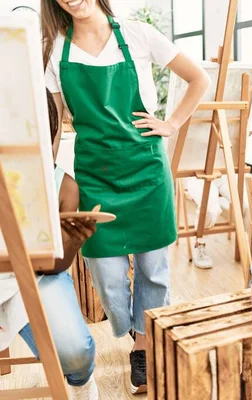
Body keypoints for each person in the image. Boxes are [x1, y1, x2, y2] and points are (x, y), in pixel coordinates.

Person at [41, 0, 211, 394]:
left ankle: (143, 342)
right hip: (95, 175)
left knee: (153, 270)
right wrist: (46, 177)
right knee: (107, 275)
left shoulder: (136, 33)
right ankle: (133, 327)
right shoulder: (56, 50)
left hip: (146, 170)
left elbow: (197, 78)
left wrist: (171, 123)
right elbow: (53, 120)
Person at [0, 89, 98, 399]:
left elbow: (56, 265)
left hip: (39, 276)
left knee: (76, 351)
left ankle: (82, 384)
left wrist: (71, 241)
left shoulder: (63, 185)